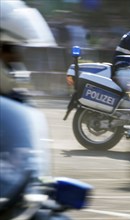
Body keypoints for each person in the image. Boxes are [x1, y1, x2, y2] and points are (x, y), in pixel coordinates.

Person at [0, 1, 56, 218]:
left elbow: (32, 158)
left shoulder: (17, 101)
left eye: (17, 49)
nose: (16, 58)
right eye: (8, 49)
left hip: (12, 201)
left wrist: (43, 185)